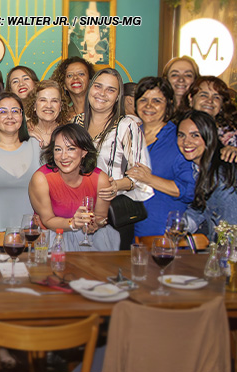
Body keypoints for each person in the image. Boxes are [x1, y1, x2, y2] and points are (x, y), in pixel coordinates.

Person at [77, 68, 152, 249]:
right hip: (78, 214)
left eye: (111, 89)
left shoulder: (127, 126)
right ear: (89, 89)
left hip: (114, 215)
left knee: (111, 274)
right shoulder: (75, 123)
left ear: (118, 96)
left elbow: (142, 176)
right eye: (98, 86)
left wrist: (116, 185)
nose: (102, 93)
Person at [29, 123, 118, 251]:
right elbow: (47, 220)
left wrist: (95, 224)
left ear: (84, 152)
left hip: (90, 240)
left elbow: (101, 217)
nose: (63, 156)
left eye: (70, 149)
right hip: (52, 239)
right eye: (58, 149)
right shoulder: (41, 179)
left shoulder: (100, 179)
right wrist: (73, 223)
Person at [129, 77, 195, 237]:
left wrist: (150, 179)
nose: (148, 106)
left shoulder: (178, 139)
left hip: (163, 231)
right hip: (127, 228)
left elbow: (189, 191)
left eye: (156, 100)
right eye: (143, 99)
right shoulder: (129, 135)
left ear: (169, 104)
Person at [0, 92, 43, 231]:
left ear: (22, 117)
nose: (10, 116)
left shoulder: (36, 145)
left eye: (15, 111)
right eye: (3, 111)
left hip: (32, 235)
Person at [178, 110, 237, 240]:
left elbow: (232, 229)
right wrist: (178, 228)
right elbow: (200, 208)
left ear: (209, 137)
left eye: (195, 135)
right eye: (181, 135)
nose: (186, 142)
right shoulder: (197, 169)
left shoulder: (221, 174)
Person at [179, 76, 237, 147]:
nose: (210, 100)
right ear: (191, 99)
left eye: (216, 97)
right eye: (203, 95)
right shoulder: (175, 129)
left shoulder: (232, 136)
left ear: (222, 104)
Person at [25, 80, 67, 147]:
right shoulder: (23, 133)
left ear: (60, 106)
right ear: (34, 106)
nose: (49, 106)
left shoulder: (70, 133)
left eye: (54, 101)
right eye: (43, 100)